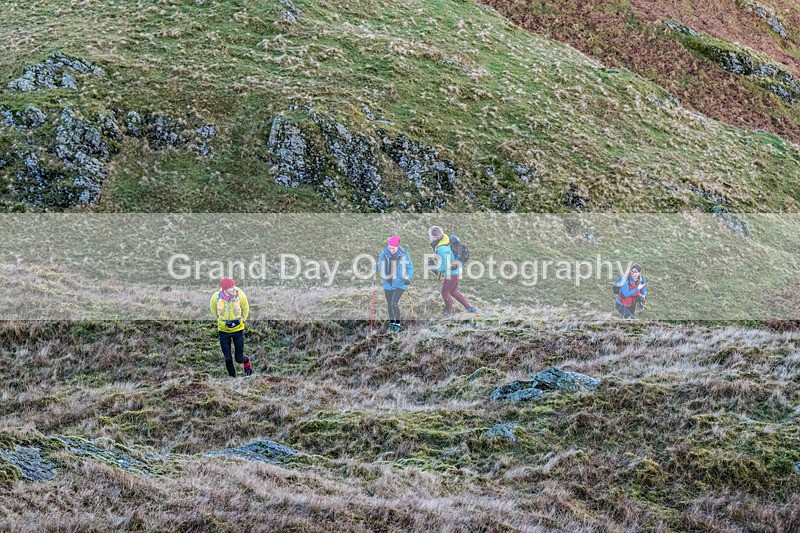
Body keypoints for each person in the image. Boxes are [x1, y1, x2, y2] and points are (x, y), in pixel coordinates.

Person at [429, 226, 478, 317]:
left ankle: (449, 312)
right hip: (457, 270)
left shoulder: (441, 248)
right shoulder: (445, 240)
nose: (430, 238)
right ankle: (470, 308)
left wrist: (436, 269)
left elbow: (446, 265)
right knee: (453, 291)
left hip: (451, 273)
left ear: (435, 237)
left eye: (430, 236)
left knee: (445, 292)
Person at [210, 277, 253, 376]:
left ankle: (247, 363)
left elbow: (245, 308)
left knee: (239, 359)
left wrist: (243, 319)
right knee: (228, 359)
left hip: (238, 330)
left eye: (234, 285)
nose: (234, 288)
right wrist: (221, 321)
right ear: (225, 289)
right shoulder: (215, 297)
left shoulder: (240, 295)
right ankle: (232, 378)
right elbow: (213, 310)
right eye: (231, 287)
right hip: (223, 331)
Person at [378, 235, 414, 332]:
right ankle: (391, 322)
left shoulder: (404, 255)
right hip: (387, 283)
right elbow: (379, 264)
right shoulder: (384, 253)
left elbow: (410, 267)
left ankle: (397, 324)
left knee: (394, 303)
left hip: (399, 283)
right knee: (389, 304)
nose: (391, 250)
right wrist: (376, 267)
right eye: (390, 248)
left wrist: (408, 277)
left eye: (393, 248)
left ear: (397, 246)